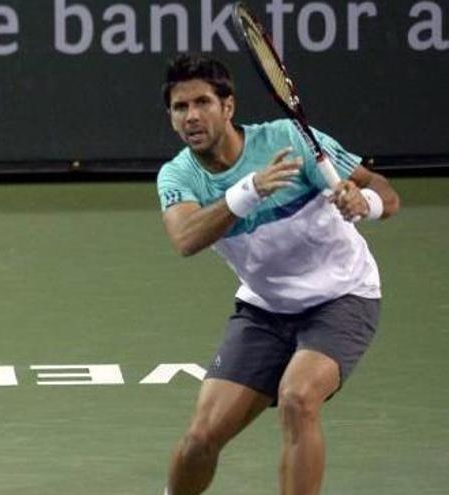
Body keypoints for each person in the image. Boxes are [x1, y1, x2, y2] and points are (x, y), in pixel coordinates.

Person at [156, 53, 400, 495]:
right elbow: (186, 239)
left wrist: (367, 202)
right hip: (266, 309)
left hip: (342, 297)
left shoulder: (289, 138)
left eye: (202, 103)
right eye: (180, 108)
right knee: (200, 439)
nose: (191, 116)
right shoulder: (178, 174)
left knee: (297, 397)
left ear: (227, 107)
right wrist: (247, 191)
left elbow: (384, 189)